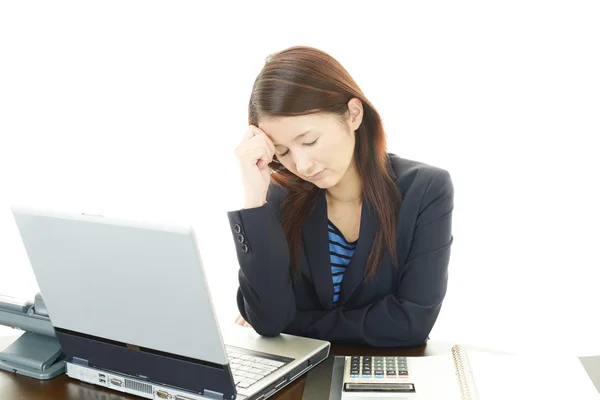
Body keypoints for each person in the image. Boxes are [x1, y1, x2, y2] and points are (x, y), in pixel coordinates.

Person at [227, 46, 453, 347]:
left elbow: (411, 323)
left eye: (309, 140)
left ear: (353, 114)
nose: (302, 165)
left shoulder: (425, 190)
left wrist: (296, 323)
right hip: (300, 382)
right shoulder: (282, 195)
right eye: (282, 152)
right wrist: (254, 199)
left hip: (382, 381)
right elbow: (269, 321)